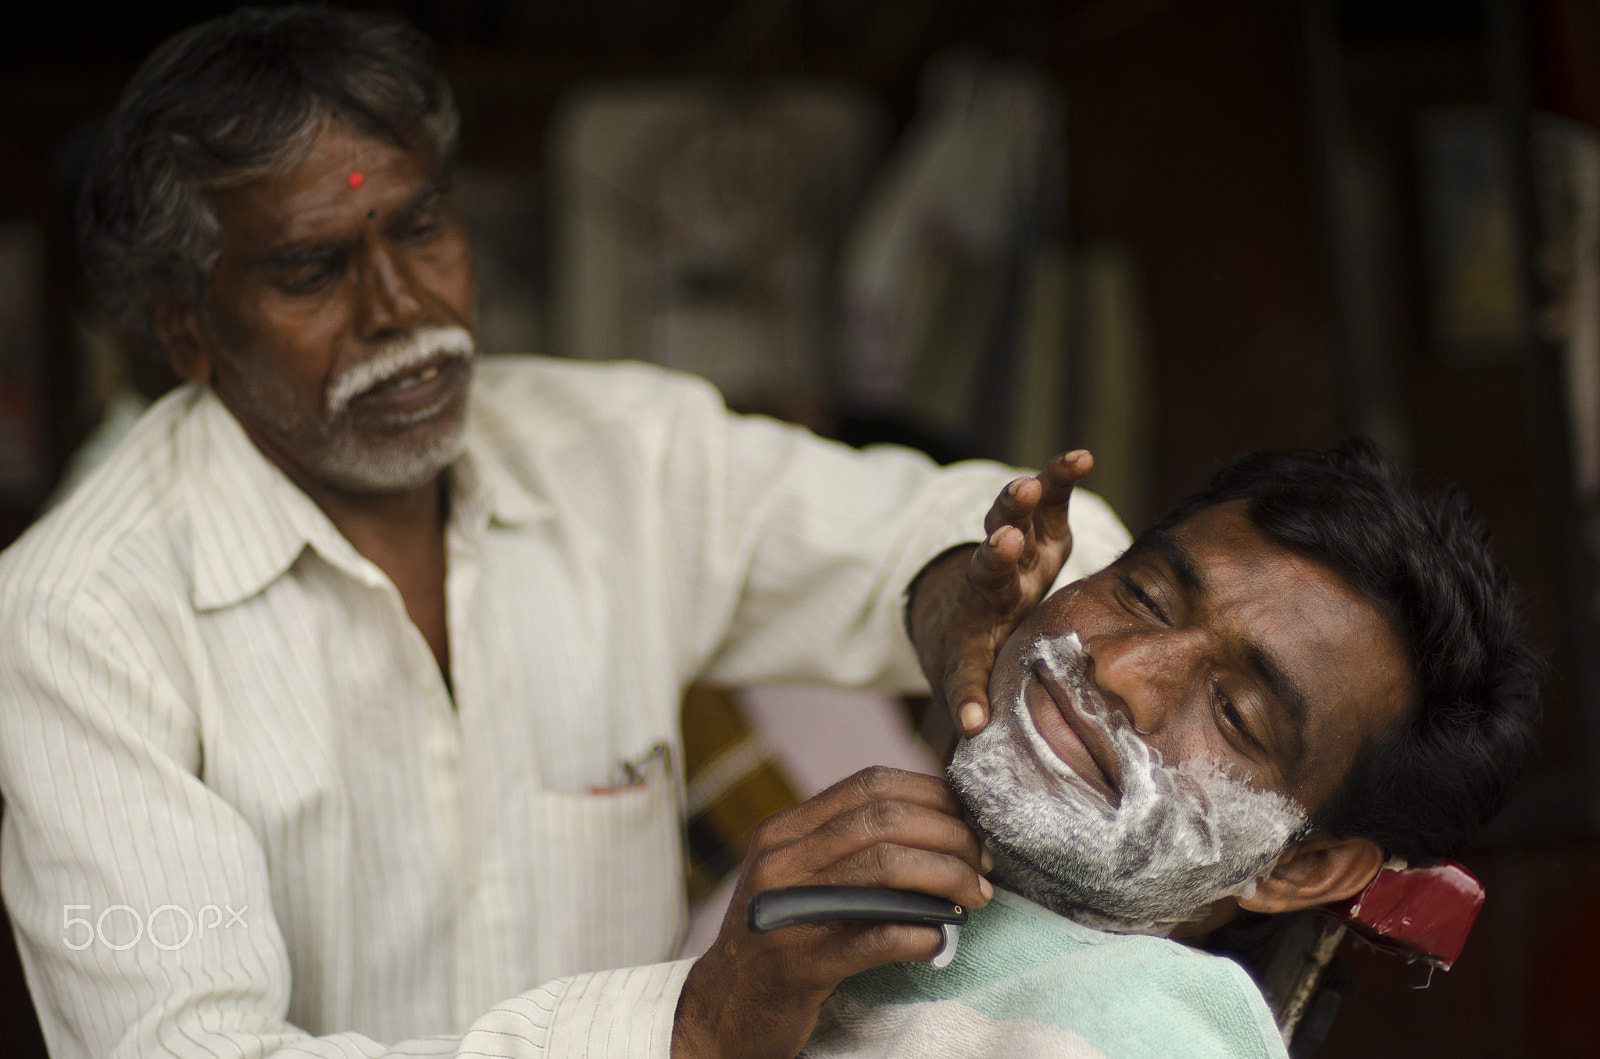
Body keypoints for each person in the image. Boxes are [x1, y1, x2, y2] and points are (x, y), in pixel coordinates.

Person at [0, 7, 1132, 1059]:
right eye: (311, 268)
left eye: (421, 227)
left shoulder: (623, 453)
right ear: (185, 331)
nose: (400, 304)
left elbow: (986, 533)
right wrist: (687, 1026)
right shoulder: (83, 618)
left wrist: (947, 593)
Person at [685, 440, 1543, 1059]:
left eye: (1236, 710)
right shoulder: (860, 896)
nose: (1123, 668)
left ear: (1301, 866)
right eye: (1144, 594)